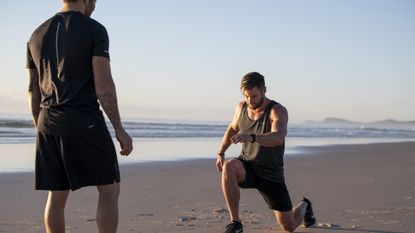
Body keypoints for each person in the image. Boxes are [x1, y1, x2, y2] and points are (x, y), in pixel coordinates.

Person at [26, 0, 133, 232]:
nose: (95, 4)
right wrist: (119, 128)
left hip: (47, 123)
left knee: (56, 195)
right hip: (84, 120)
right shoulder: (94, 29)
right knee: (109, 189)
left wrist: (41, 128)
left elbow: (33, 91)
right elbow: (103, 85)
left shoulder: (35, 34)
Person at [216, 72, 316, 233]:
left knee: (288, 226)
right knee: (229, 166)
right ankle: (236, 223)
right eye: (246, 96)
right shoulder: (241, 107)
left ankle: (305, 205)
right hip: (247, 166)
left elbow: (278, 138)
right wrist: (221, 153)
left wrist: (251, 137)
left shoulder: (278, 110)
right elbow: (233, 127)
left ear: (264, 90)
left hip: (270, 174)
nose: (250, 100)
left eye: (254, 96)